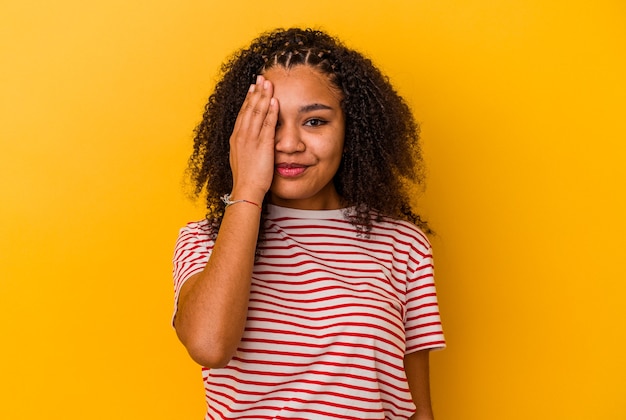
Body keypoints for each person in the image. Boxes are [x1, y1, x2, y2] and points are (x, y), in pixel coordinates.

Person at [172, 27, 445, 420]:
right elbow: (210, 346)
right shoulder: (205, 239)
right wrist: (247, 186)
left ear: (351, 130)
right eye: (268, 122)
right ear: (240, 135)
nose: (289, 143)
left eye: (314, 122)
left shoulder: (402, 245)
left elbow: (418, 409)